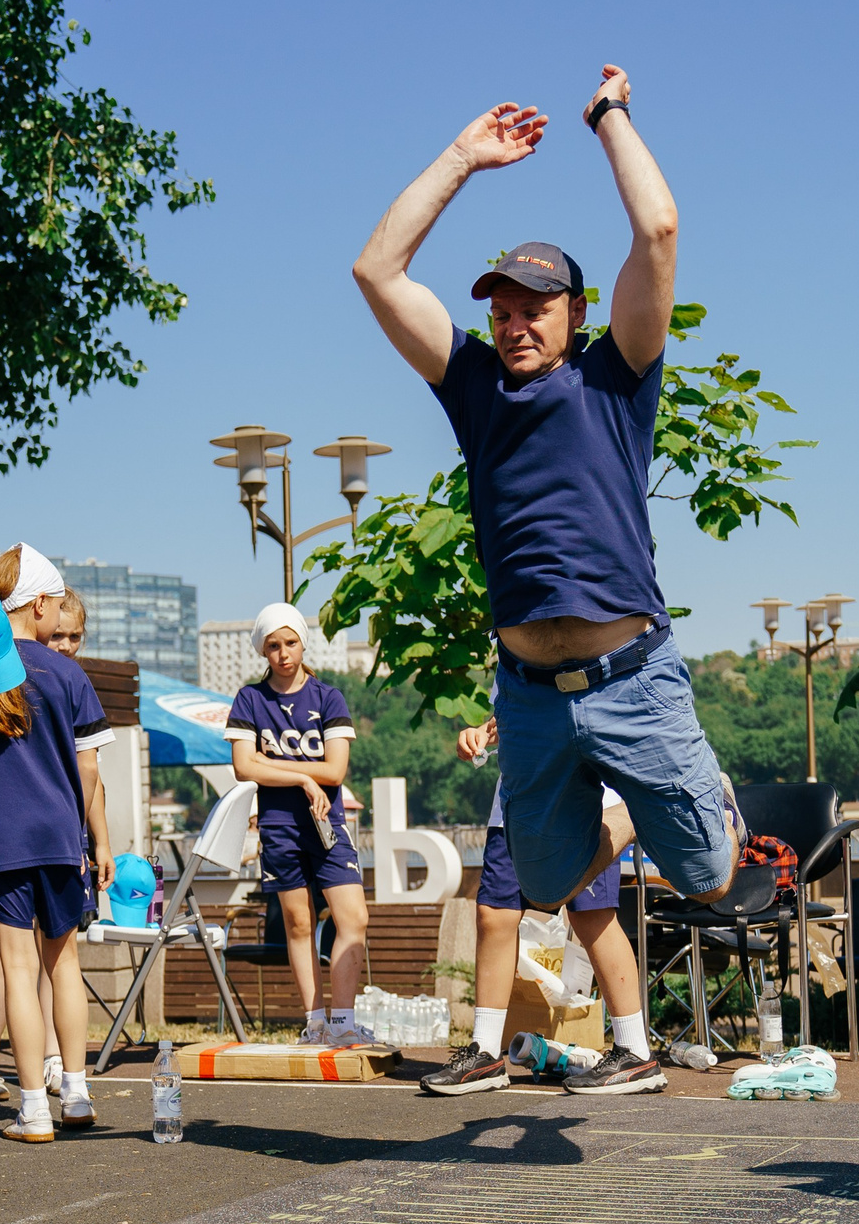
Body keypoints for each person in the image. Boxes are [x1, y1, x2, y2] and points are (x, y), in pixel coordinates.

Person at [352, 63, 744, 919]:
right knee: (541, 889)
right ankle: (628, 813)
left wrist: (609, 117)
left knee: (711, 880)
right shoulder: (473, 385)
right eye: (501, 307)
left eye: (535, 307)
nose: (514, 322)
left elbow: (660, 229)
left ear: (575, 311)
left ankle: (676, 801)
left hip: (633, 676)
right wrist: (463, 155)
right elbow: (377, 270)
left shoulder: (616, 376)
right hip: (529, 697)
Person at [0, 552, 114, 1142]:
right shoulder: (69, 674)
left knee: (17, 970)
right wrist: (91, 837)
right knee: (64, 967)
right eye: (58, 604)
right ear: (38, 605)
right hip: (60, 839)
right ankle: (77, 1094)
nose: (60, 616)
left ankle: (33, 1109)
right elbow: (88, 772)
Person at [421, 711, 662, 1096]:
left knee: (592, 918)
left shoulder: (580, 648)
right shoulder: (508, 653)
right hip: (516, 802)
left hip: (585, 799)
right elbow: (508, 714)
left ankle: (635, 1052)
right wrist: (480, 733)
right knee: (494, 914)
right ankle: (485, 1053)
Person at [224, 603, 372, 1045]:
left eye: (290, 643)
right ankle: (316, 1023)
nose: (283, 653)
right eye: (273, 645)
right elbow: (242, 767)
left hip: (327, 826)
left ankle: (343, 1023)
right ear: (262, 651)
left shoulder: (328, 697)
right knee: (297, 923)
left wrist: (287, 769)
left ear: (303, 642)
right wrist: (305, 774)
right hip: (279, 826)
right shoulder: (251, 699)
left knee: (353, 917)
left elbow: (336, 771)